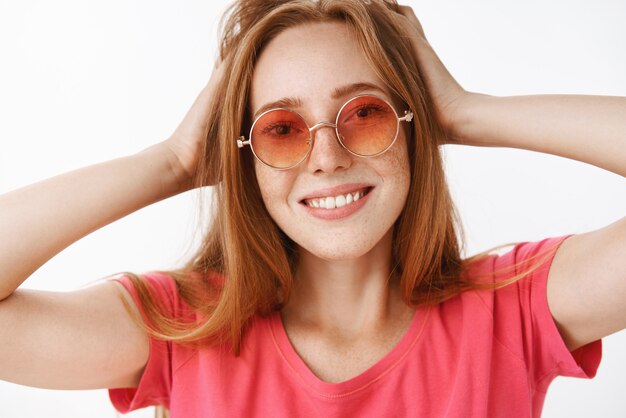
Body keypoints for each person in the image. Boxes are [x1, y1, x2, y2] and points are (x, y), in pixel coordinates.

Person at [0, 0, 624, 417]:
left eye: (365, 113)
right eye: (282, 129)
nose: (326, 157)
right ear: (244, 155)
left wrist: (465, 112)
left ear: (413, 124)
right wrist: (174, 161)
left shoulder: (508, 310)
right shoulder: (183, 327)